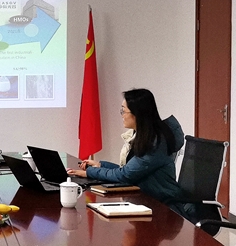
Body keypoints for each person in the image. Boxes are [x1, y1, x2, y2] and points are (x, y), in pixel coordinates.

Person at [68, 88, 204, 223]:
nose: (122, 115)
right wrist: (100, 165)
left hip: (165, 211)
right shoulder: (147, 137)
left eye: (123, 111)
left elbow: (125, 175)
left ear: (137, 114)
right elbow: (131, 170)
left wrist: (89, 172)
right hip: (149, 203)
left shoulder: (155, 143)